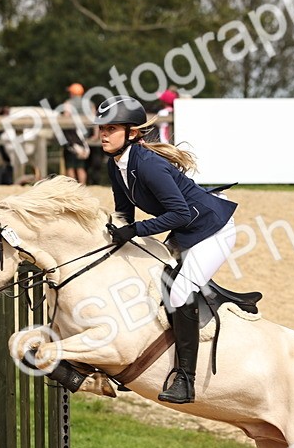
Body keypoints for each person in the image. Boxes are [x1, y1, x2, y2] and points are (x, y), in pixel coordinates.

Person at [98, 96, 237, 405]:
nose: (103, 134)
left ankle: (185, 380)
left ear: (132, 133)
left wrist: (132, 231)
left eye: (111, 128)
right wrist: (113, 237)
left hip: (211, 230)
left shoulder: (149, 165)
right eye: (102, 129)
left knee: (178, 293)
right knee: (146, 276)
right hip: (186, 229)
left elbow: (180, 214)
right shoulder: (115, 164)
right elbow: (124, 213)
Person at [61, 82, 95, 184]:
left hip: (73, 137)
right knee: (81, 167)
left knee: (70, 166)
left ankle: (73, 188)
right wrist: (95, 135)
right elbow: (95, 119)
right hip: (85, 138)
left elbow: (66, 119)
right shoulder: (90, 104)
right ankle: (83, 187)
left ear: (72, 93)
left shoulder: (68, 103)